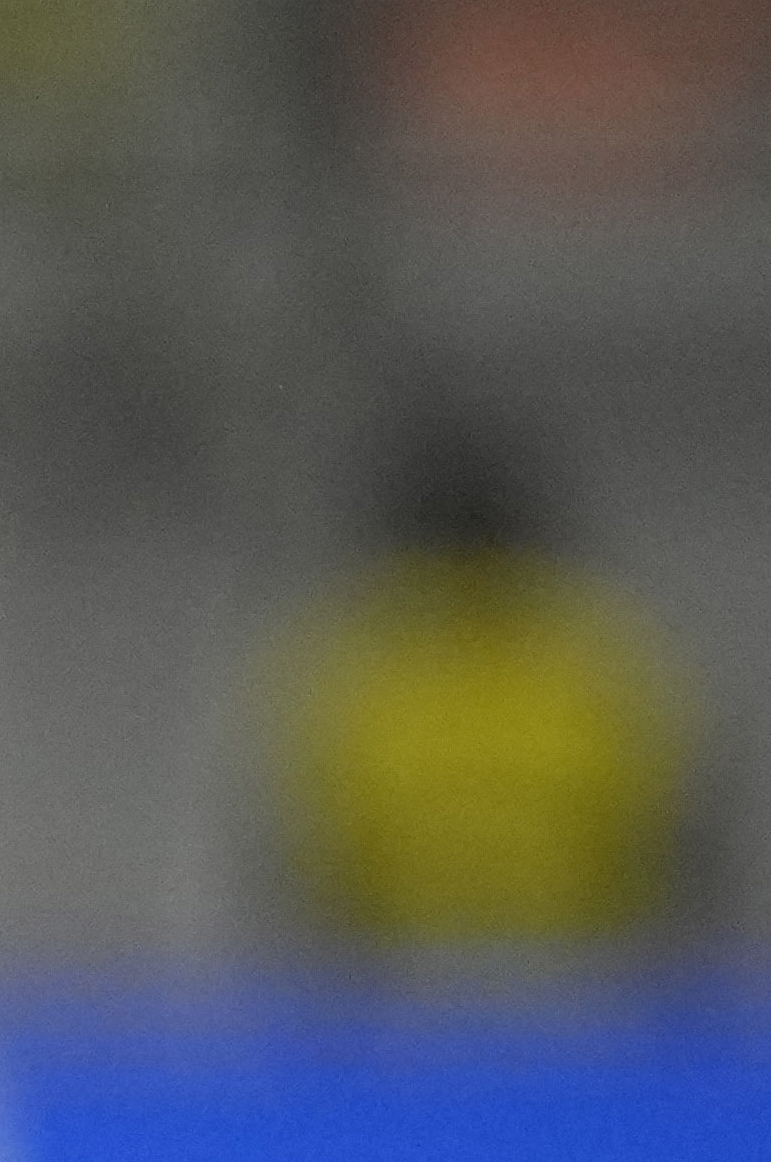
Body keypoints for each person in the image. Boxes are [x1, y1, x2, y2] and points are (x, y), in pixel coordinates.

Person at [267, 410, 703, 958]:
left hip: (418, 982)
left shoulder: (347, 662)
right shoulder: (605, 655)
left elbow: (304, 858)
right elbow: (673, 845)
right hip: (571, 980)